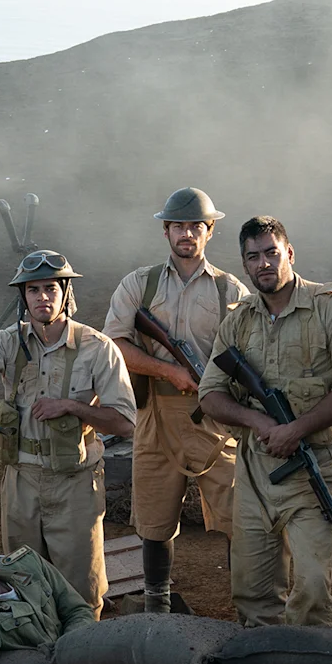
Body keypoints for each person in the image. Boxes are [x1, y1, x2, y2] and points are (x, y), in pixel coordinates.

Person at [0, 250, 136, 618]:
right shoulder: (10, 342)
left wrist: (71, 407)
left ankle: (81, 661)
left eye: (51, 288)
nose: (42, 297)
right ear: (23, 298)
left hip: (75, 482)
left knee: (80, 589)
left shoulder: (98, 348)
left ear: (65, 293)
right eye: (33, 290)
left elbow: (125, 423)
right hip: (21, 480)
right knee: (22, 580)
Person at [198, 216, 332, 626]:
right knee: (252, 592)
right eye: (253, 256)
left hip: (316, 468)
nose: (264, 263)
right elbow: (210, 395)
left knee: (311, 586)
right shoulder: (238, 320)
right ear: (244, 266)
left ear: (289, 254)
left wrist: (295, 429)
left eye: (272, 253)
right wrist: (257, 423)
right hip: (255, 472)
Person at [102, 188, 251, 613]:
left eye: (196, 227)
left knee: (239, 515)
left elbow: (247, 353)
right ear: (166, 231)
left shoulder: (231, 290)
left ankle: (247, 608)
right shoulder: (139, 284)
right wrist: (170, 371)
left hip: (214, 419)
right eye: (179, 226)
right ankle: (157, 607)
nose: (187, 233)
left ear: (209, 232)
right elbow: (115, 344)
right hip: (155, 415)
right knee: (154, 518)